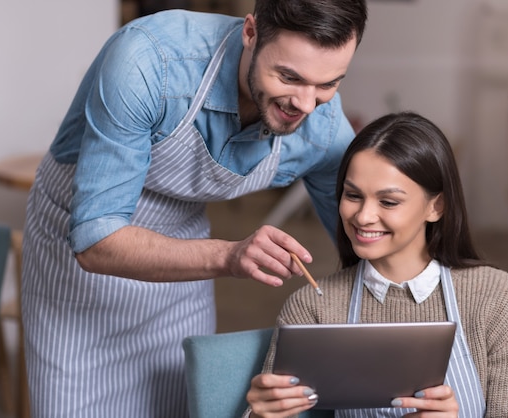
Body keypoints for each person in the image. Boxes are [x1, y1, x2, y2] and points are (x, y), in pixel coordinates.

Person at [20, 1, 368, 417]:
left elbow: (365, 245)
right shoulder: (149, 61)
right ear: (251, 32)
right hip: (77, 271)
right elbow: (95, 240)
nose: (307, 104)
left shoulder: (323, 128)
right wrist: (229, 255)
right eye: (289, 77)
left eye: (328, 84)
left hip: (180, 267)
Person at [245, 112, 508, 417]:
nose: (363, 217)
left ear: (435, 206)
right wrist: (259, 413)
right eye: (353, 195)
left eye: (388, 202)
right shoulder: (313, 308)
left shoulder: (498, 298)